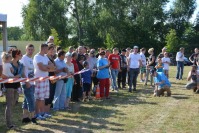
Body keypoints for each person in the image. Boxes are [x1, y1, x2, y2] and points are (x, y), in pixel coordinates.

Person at [2, 49, 24, 129]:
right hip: (9, 86)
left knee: (13, 103)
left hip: (16, 86)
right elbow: (5, 75)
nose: (21, 55)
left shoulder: (20, 64)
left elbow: (20, 74)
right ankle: (9, 124)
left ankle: (10, 122)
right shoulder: (8, 63)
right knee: (9, 105)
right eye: (20, 54)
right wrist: (15, 77)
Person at [33, 43, 54, 120]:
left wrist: (47, 67)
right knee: (38, 98)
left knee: (44, 97)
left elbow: (53, 66)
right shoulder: (37, 57)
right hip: (39, 79)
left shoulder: (45, 57)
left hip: (45, 79)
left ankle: (43, 113)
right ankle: (37, 114)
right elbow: (41, 67)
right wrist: (48, 68)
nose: (48, 50)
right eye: (47, 49)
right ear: (43, 48)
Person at [20, 44, 37, 124]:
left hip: (32, 82)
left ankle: (25, 117)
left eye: (31, 50)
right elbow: (22, 72)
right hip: (26, 83)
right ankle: (33, 117)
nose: (30, 51)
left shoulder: (31, 59)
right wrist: (26, 82)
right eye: (29, 49)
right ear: (26, 50)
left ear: (33, 50)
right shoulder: (23, 58)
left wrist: (33, 82)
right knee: (31, 100)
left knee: (26, 100)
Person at [44, 44, 57, 116]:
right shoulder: (46, 58)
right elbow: (49, 68)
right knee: (47, 95)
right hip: (48, 77)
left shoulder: (52, 58)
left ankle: (47, 111)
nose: (53, 51)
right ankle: (44, 111)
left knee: (52, 94)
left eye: (53, 49)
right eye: (51, 49)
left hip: (53, 77)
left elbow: (55, 68)